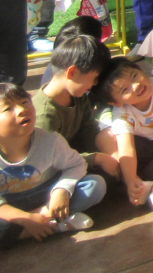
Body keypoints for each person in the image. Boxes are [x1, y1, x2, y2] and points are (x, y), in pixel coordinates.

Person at [0, 82, 106, 246]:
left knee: (95, 185)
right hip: (9, 205)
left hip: (47, 194)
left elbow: (76, 165)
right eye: (8, 108)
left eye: (24, 102)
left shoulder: (50, 140)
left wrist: (61, 190)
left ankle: (40, 221)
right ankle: (53, 225)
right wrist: (26, 218)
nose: (21, 110)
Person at [96, 57, 153, 212]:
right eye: (125, 90)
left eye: (134, 76)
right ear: (116, 102)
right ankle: (143, 181)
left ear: (141, 70)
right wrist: (131, 181)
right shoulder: (121, 113)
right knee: (132, 165)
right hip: (144, 147)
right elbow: (127, 149)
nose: (136, 85)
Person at [32, 32, 118, 179]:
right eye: (95, 78)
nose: (95, 84)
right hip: (53, 172)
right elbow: (50, 161)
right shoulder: (44, 115)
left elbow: (90, 130)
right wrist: (96, 158)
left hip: (75, 156)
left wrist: (113, 155)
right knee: (96, 183)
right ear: (72, 72)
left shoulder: (78, 97)